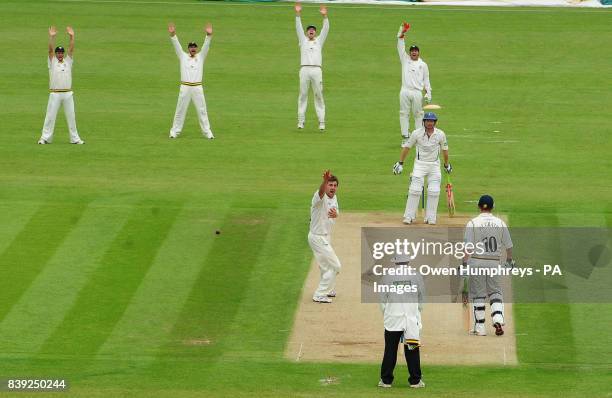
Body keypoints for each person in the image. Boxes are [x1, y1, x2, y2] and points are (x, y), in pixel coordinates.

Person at [462, 195, 514, 336]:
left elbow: (468, 247)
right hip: (494, 262)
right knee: (495, 292)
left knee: (478, 294)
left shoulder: (472, 223)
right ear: (493, 207)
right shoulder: (500, 223)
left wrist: (464, 263)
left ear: (479, 206)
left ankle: (480, 328)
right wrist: (509, 261)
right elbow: (509, 246)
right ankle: (498, 317)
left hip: (476, 261)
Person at [392, 112, 451, 225]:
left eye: (432, 121)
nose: (430, 123)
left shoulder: (440, 134)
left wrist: (446, 164)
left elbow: (445, 150)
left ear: (435, 122)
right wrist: (400, 163)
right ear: (424, 122)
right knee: (415, 190)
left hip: (434, 165)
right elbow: (407, 147)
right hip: (420, 165)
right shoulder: (416, 133)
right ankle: (409, 216)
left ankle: (431, 217)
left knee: (434, 191)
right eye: (427, 121)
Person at [378, 254, 425, 389]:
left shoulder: (387, 276)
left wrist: (387, 314)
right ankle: (415, 381)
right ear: (408, 261)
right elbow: (421, 297)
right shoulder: (416, 276)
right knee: (412, 350)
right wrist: (417, 312)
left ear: (395, 263)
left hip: (393, 319)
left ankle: (386, 381)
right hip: (410, 320)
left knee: (390, 350)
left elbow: (382, 299)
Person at [38, 26, 85, 145]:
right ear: (56, 54)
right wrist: (52, 37)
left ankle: (75, 139)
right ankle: (45, 138)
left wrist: (72, 36)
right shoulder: (52, 61)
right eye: (58, 52)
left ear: (63, 54)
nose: (59, 54)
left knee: (71, 117)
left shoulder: (68, 61)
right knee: (50, 116)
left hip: (68, 93)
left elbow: (71, 50)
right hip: (55, 93)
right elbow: (49, 50)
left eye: (61, 53)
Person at [168, 22, 215, 139]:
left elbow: (206, 46)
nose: (193, 49)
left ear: (196, 48)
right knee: (180, 110)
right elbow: (177, 46)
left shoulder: (201, 56)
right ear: (188, 49)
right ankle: (174, 132)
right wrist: (173, 34)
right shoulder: (183, 56)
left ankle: (207, 132)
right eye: (191, 47)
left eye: (194, 47)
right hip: (185, 87)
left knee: (202, 110)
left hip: (197, 87)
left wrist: (208, 36)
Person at [295, 3, 329, 131]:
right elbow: (298, 27)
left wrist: (325, 16)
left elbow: (326, 29)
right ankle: (301, 121)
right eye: (309, 29)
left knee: (318, 95)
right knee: (303, 95)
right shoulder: (302, 41)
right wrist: (298, 14)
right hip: (304, 69)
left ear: (315, 32)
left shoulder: (319, 41)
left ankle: (321, 122)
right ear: (306, 32)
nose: (311, 30)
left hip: (316, 70)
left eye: (313, 29)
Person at [308, 170, 340, 303]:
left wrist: (335, 215)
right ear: (326, 185)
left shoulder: (334, 198)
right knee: (336, 266)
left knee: (325, 266)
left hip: (326, 236)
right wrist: (324, 181)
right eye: (330, 185)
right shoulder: (319, 198)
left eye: (334, 185)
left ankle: (328, 289)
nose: (332, 187)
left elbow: (335, 211)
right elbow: (321, 192)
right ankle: (320, 294)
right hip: (317, 237)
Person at [397, 23, 432, 145]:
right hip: (405, 90)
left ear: (419, 52)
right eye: (412, 51)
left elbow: (426, 80)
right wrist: (402, 33)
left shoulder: (423, 65)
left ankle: (417, 138)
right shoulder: (405, 60)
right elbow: (400, 46)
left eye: (416, 51)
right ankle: (405, 138)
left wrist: (428, 93)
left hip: (417, 92)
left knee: (418, 115)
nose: (413, 53)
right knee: (403, 113)